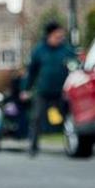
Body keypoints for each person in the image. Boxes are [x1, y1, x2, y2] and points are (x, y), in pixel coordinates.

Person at [23, 21, 74, 157]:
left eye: (62, 36)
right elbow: (32, 72)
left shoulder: (67, 50)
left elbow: (74, 67)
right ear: (50, 35)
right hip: (43, 91)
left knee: (67, 119)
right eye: (58, 35)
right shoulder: (39, 50)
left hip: (62, 92)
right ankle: (33, 147)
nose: (61, 38)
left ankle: (71, 146)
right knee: (37, 118)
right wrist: (26, 89)